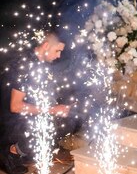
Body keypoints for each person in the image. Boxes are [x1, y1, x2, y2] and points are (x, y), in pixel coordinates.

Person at [0, 31, 82, 174]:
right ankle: (10, 152)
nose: (59, 56)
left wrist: (62, 106)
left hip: (25, 118)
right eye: (57, 50)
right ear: (45, 45)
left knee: (71, 120)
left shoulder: (40, 64)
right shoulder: (24, 65)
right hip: (9, 122)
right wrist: (54, 110)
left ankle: (25, 150)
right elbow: (16, 106)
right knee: (52, 123)